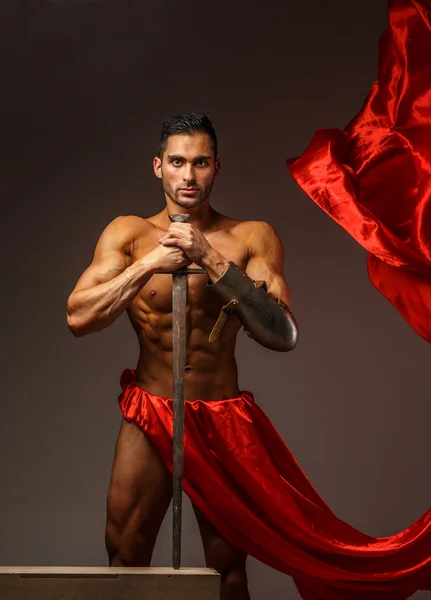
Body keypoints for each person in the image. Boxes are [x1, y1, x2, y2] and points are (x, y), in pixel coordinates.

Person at [66, 113, 298, 600]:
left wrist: (209, 257)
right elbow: (78, 316)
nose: (188, 176)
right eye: (177, 162)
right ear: (158, 167)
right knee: (125, 556)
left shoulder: (253, 237)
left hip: (221, 414)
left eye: (199, 163)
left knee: (228, 569)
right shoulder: (127, 235)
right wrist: (151, 263)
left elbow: (282, 334)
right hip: (151, 409)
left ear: (216, 168)